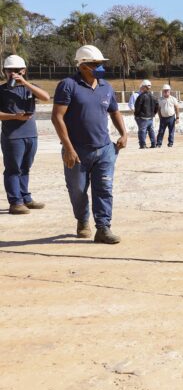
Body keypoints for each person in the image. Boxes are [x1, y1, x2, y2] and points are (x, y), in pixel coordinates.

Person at [51, 44, 127, 243]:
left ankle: (103, 228)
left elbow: (114, 112)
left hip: (105, 150)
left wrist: (124, 133)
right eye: (96, 64)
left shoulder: (106, 87)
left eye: (101, 63)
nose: (100, 67)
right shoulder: (68, 85)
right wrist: (68, 148)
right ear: (83, 65)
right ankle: (82, 219)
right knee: (77, 190)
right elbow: (57, 117)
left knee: (104, 189)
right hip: (77, 151)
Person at [0, 55, 51, 214]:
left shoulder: (30, 87)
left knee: (25, 168)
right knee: (13, 169)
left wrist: (25, 83)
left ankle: (25, 198)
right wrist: (14, 117)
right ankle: (15, 202)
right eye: (10, 70)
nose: (14, 73)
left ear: (24, 70)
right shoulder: (2, 90)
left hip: (31, 135)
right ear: (4, 71)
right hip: (12, 136)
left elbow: (46, 98)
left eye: (17, 70)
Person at [133, 80, 158, 148]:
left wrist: (136, 115)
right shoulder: (154, 97)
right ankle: (154, 144)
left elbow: (137, 107)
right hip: (150, 117)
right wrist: (153, 114)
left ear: (144, 87)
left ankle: (142, 144)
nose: (140, 89)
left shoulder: (141, 96)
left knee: (142, 131)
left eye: (141, 87)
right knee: (151, 130)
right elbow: (157, 107)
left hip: (142, 117)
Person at [155, 84, 179, 148]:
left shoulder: (173, 99)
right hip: (163, 118)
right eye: (164, 90)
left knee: (171, 131)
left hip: (171, 117)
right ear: (162, 91)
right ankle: (158, 143)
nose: (166, 92)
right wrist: (160, 117)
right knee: (161, 131)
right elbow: (158, 109)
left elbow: (177, 108)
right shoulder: (160, 99)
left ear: (169, 91)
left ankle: (170, 143)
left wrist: (177, 118)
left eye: (167, 90)